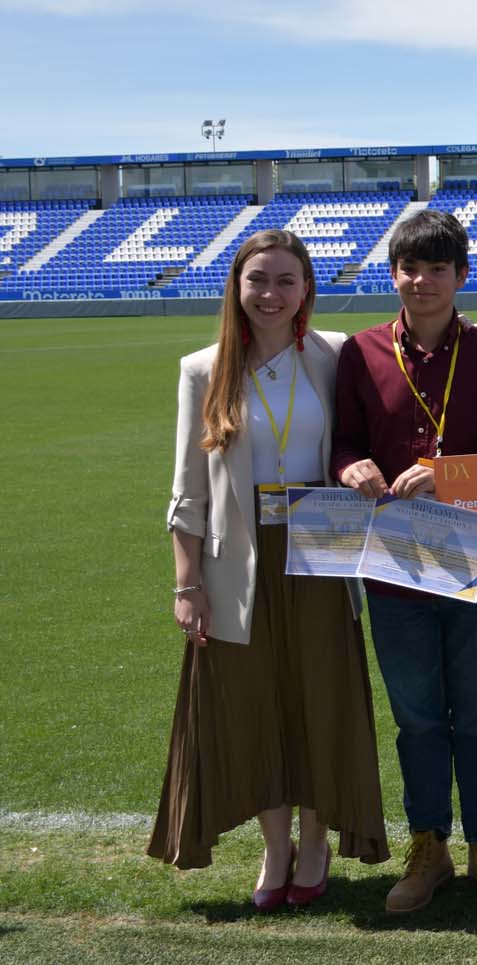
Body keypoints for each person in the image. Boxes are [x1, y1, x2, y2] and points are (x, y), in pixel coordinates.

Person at [149, 229, 389, 910]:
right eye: (258, 279)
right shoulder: (203, 370)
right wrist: (187, 585)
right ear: (237, 286)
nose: (271, 294)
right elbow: (188, 490)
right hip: (239, 564)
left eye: (286, 280)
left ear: (307, 288)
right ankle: (275, 847)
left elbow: (405, 360)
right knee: (254, 706)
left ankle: (315, 845)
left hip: (322, 553)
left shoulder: (336, 354)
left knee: (318, 700)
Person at [331, 210, 477, 913]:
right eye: (410, 269)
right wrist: (349, 465)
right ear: (394, 275)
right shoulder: (359, 354)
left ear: (461, 276)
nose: (423, 281)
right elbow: (343, 440)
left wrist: (454, 473)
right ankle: (428, 847)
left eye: (437, 269)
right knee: (416, 717)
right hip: (393, 565)